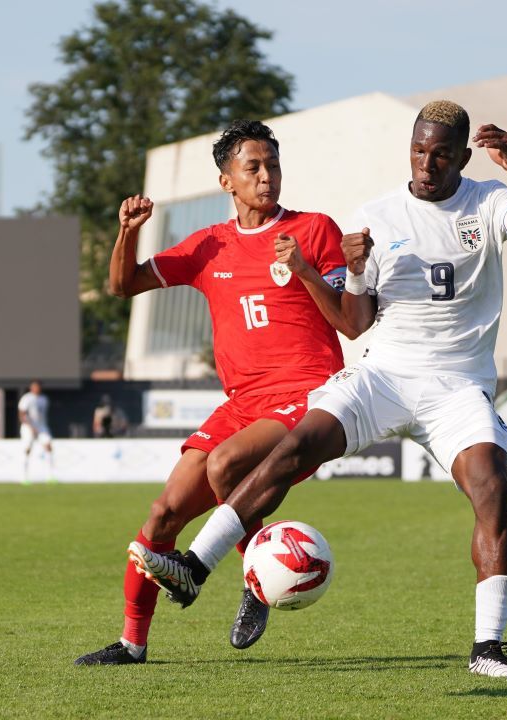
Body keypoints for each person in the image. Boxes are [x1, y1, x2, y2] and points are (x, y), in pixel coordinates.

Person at [128, 101, 507, 680]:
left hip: (456, 384)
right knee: (291, 450)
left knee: (490, 486)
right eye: (418, 150)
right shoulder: (377, 215)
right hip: (383, 373)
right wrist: (355, 270)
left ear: (462, 156)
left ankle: (488, 648)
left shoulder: (486, 200)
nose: (426, 164)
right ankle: (195, 568)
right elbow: (357, 321)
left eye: (440, 154)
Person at [76, 120, 361, 667]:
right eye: (252, 167)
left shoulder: (315, 228)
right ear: (226, 180)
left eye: (272, 165)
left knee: (226, 463)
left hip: (307, 392)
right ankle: (132, 645)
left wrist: (303, 270)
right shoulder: (210, 245)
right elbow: (122, 285)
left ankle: (253, 584)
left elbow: (349, 321)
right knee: (160, 516)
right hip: (242, 401)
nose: (266, 177)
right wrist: (128, 230)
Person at [18, 381, 55, 482]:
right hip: (28, 427)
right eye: (34, 386)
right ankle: (24, 476)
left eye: (38, 387)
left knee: (49, 446)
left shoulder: (44, 399)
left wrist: (40, 427)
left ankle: (50, 476)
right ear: (31, 387)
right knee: (27, 449)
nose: (36, 388)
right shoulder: (27, 398)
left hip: (41, 427)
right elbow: (21, 415)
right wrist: (31, 427)